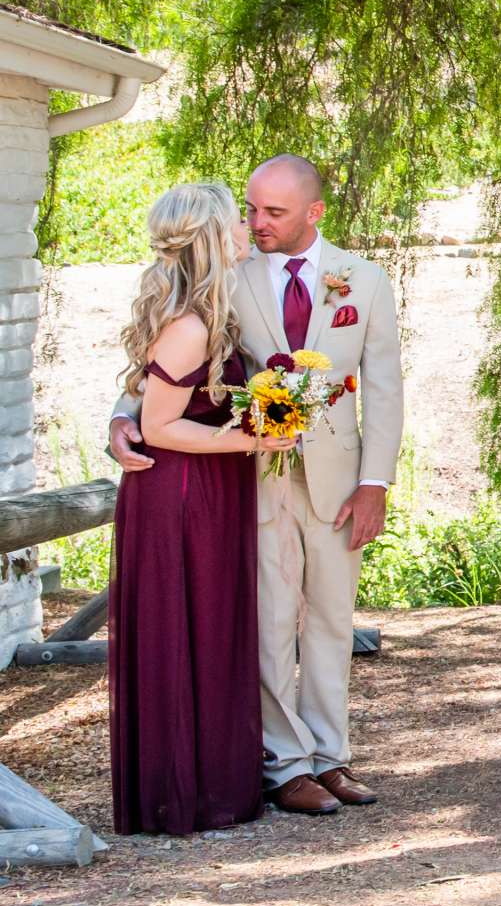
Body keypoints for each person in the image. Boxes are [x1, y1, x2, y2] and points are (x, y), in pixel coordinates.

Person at [109, 155, 403, 817]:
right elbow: (158, 368)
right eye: (250, 210)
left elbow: (385, 391)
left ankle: (330, 756)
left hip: (338, 479)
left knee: (331, 619)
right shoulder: (225, 275)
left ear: (314, 213)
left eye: (273, 212)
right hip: (248, 481)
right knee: (267, 623)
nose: (257, 223)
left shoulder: (365, 281)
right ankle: (284, 764)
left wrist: (375, 483)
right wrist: (120, 419)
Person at [108, 183, 297, 835]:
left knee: (210, 625)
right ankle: (186, 792)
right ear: (213, 237)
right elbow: (159, 425)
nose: (248, 227)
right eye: (235, 220)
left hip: (204, 487)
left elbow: (142, 396)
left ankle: (210, 779)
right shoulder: (191, 323)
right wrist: (252, 438)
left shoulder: (203, 310)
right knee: (190, 624)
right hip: (183, 493)